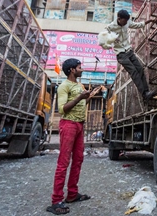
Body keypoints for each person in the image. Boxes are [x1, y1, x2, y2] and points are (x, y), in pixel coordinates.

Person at [47, 58, 99, 215]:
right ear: (71, 70)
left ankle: (71, 194)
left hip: (79, 125)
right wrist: (80, 98)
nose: (81, 69)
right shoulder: (64, 86)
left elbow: (81, 103)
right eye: (79, 67)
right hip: (68, 124)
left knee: (78, 160)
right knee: (63, 162)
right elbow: (62, 109)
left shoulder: (78, 85)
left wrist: (89, 96)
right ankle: (56, 201)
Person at [106, 9, 156, 100]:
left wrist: (149, 21)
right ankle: (144, 94)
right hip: (121, 54)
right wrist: (111, 40)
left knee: (140, 69)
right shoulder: (110, 27)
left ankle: (147, 91)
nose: (126, 23)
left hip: (129, 51)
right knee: (133, 71)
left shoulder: (127, 22)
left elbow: (137, 25)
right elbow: (104, 40)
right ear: (119, 19)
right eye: (124, 21)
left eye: (127, 21)